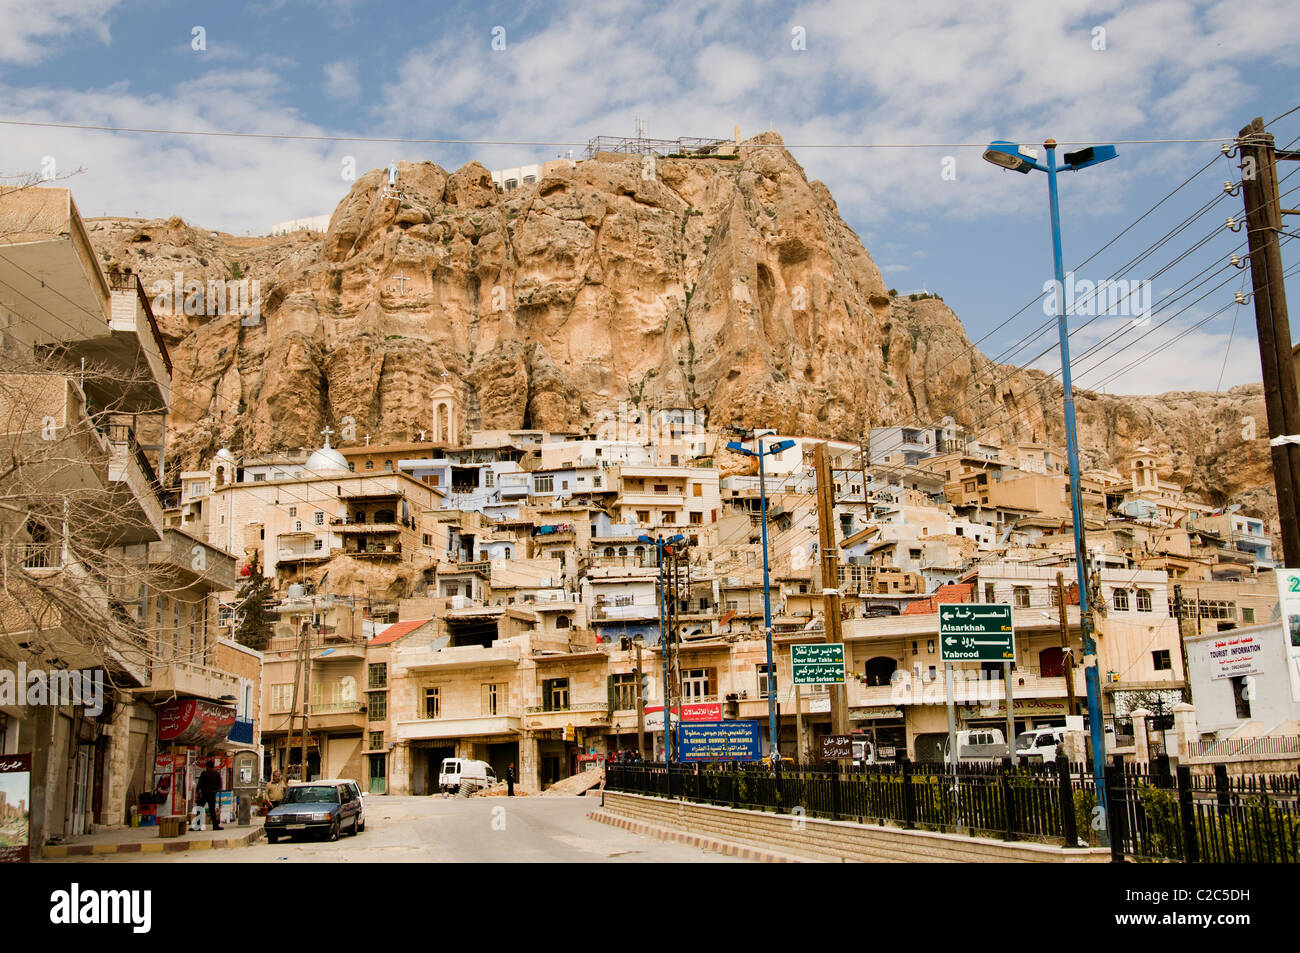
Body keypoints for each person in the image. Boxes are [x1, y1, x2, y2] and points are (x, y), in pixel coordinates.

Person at [197, 759, 223, 831]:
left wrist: (197, 791)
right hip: (212, 794)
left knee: (199, 809)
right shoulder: (217, 774)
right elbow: (219, 785)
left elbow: (200, 783)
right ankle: (215, 826)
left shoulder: (204, 773)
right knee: (212, 810)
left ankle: (198, 826)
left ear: (207, 767)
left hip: (204, 794)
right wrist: (215, 791)